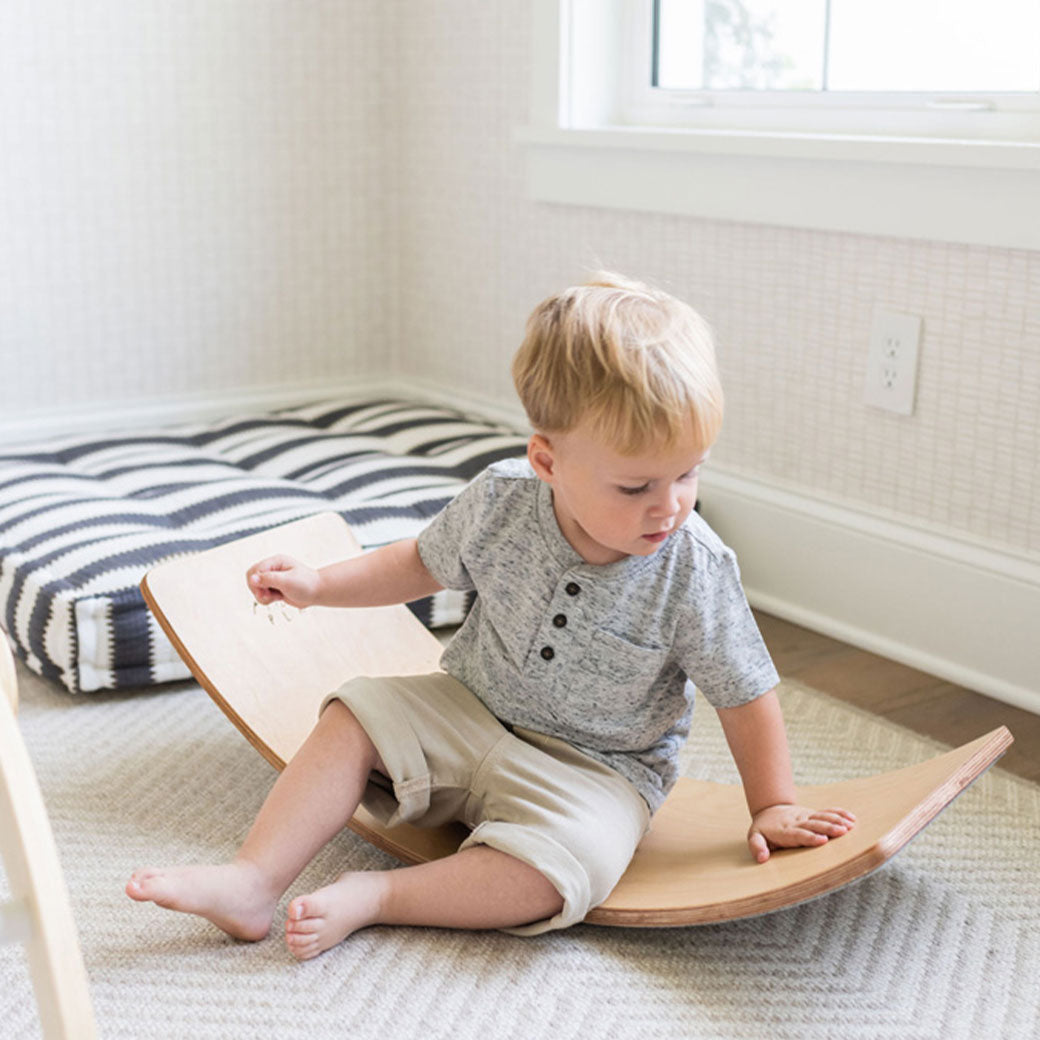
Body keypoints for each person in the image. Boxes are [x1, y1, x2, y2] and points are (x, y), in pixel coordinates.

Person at [126, 273, 855, 959]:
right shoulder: (502, 499)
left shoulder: (694, 566)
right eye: (636, 487)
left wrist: (772, 804)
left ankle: (379, 897)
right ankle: (253, 881)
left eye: (689, 473)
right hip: (467, 708)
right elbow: (418, 563)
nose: (669, 506)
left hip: (598, 772)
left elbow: (745, 693)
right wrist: (319, 584)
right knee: (353, 713)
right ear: (548, 461)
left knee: (568, 870)